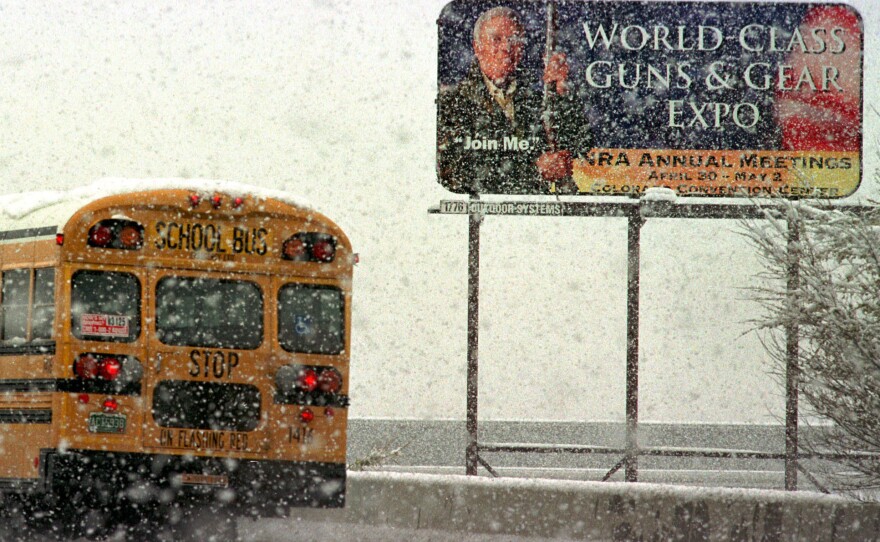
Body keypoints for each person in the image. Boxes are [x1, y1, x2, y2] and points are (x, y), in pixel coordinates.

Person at [437, 6, 592, 194]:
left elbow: (582, 145)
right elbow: (455, 175)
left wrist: (563, 92)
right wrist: (533, 171)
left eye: (514, 40)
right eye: (496, 39)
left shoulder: (535, 101)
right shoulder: (452, 103)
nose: (506, 48)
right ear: (477, 47)